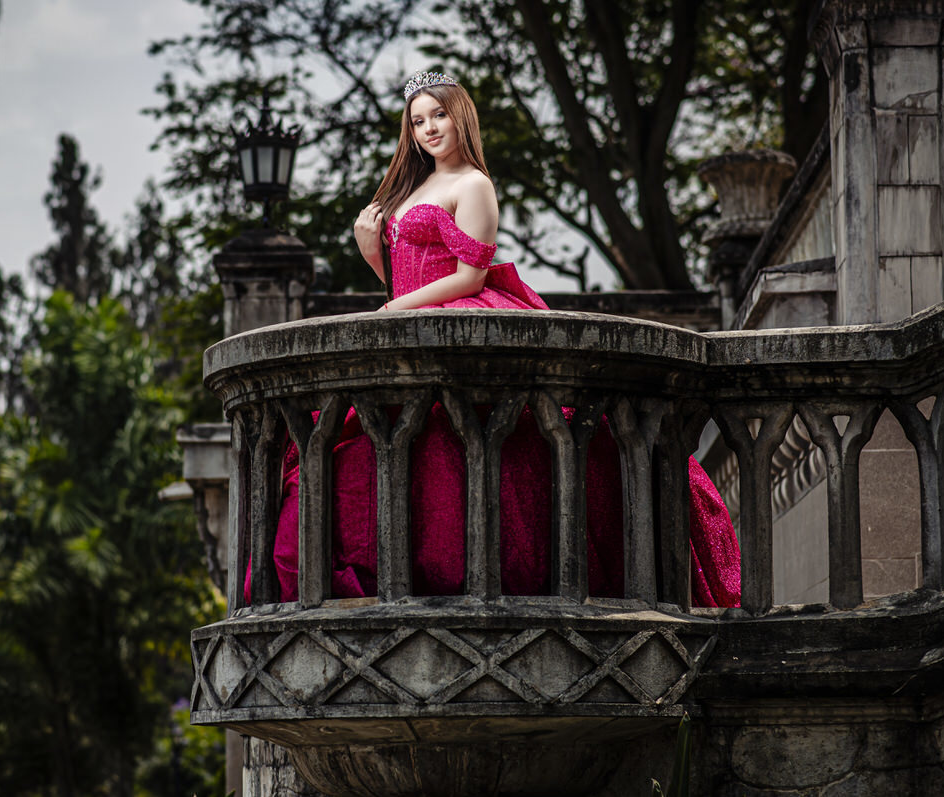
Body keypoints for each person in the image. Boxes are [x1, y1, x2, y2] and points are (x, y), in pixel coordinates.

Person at [252, 71, 740, 607]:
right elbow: (409, 279)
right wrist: (373, 253)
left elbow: (470, 277)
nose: (429, 129)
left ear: (461, 116)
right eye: (418, 121)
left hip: (453, 318)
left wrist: (391, 309)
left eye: (438, 115)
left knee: (464, 443)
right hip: (412, 321)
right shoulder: (412, 188)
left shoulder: (474, 184)